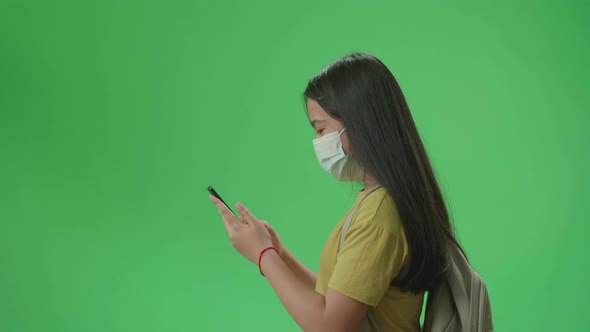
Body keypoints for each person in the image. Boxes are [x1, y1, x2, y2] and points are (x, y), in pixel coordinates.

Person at [209, 52, 464, 332]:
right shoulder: (384, 201)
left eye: (321, 130)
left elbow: (330, 326)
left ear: (360, 124)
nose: (318, 142)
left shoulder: (378, 216)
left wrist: (262, 254)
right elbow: (336, 301)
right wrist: (279, 253)